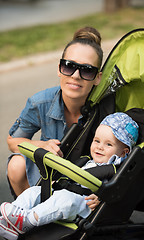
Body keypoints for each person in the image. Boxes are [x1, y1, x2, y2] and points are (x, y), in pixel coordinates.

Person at [0, 112, 139, 240]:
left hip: (82, 204)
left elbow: (116, 190)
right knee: (33, 192)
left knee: (65, 200)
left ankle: (27, 221)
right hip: (63, 191)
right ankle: (11, 220)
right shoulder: (86, 160)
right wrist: (59, 180)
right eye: (97, 141)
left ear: (123, 153)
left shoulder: (115, 170)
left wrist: (102, 197)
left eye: (108, 144)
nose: (99, 147)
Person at [6, 26, 103, 198]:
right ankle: (30, 218)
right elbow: (13, 142)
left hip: (87, 181)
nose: (75, 75)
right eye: (69, 66)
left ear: (97, 77)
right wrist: (41, 146)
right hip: (50, 175)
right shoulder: (40, 102)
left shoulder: (106, 108)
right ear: (59, 69)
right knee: (16, 164)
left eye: (87, 70)